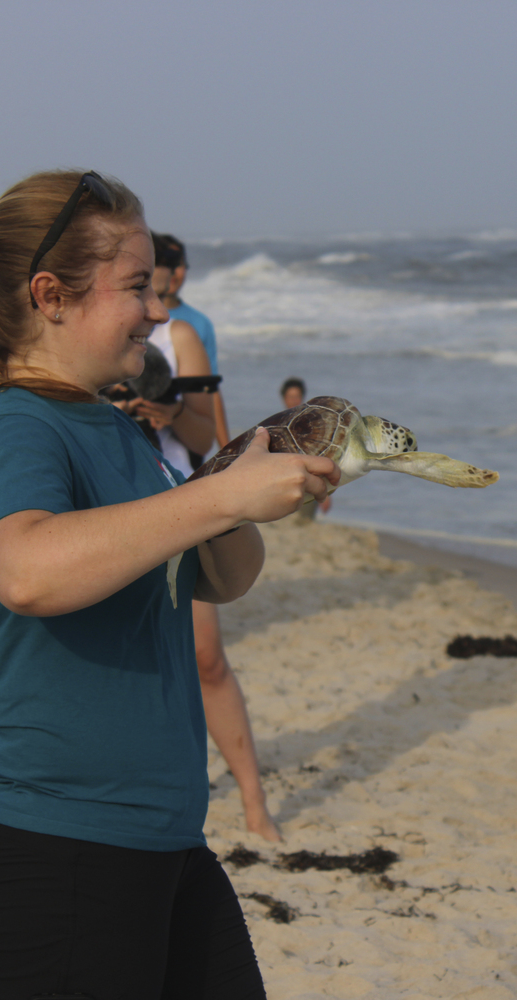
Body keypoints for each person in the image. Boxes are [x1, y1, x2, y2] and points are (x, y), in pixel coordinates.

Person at [0, 169, 336, 996]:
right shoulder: (13, 423)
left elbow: (227, 578)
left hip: (161, 843)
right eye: (136, 286)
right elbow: (27, 572)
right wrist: (214, 496)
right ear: (52, 295)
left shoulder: (110, 424)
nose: (155, 309)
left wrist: (248, 491)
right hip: (56, 854)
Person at [140, 232, 282, 841]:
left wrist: (168, 412)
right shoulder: (78, 340)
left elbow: (212, 442)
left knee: (206, 659)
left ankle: (254, 801)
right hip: (110, 503)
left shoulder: (181, 335)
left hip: (177, 495)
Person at [156, 233, 229, 444]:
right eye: (165, 263)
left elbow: (210, 390)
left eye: (177, 264)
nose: (172, 272)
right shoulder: (131, 319)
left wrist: (227, 449)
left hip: (186, 438)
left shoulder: (199, 323)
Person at [277, 377, 332, 518]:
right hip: (282, 488)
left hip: (307, 488)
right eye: (290, 397)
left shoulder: (311, 427)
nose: (294, 401)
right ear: (284, 398)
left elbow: (321, 457)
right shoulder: (276, 427)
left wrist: (325, 494)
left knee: (305, 521)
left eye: (297, 397)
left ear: (302, 398)